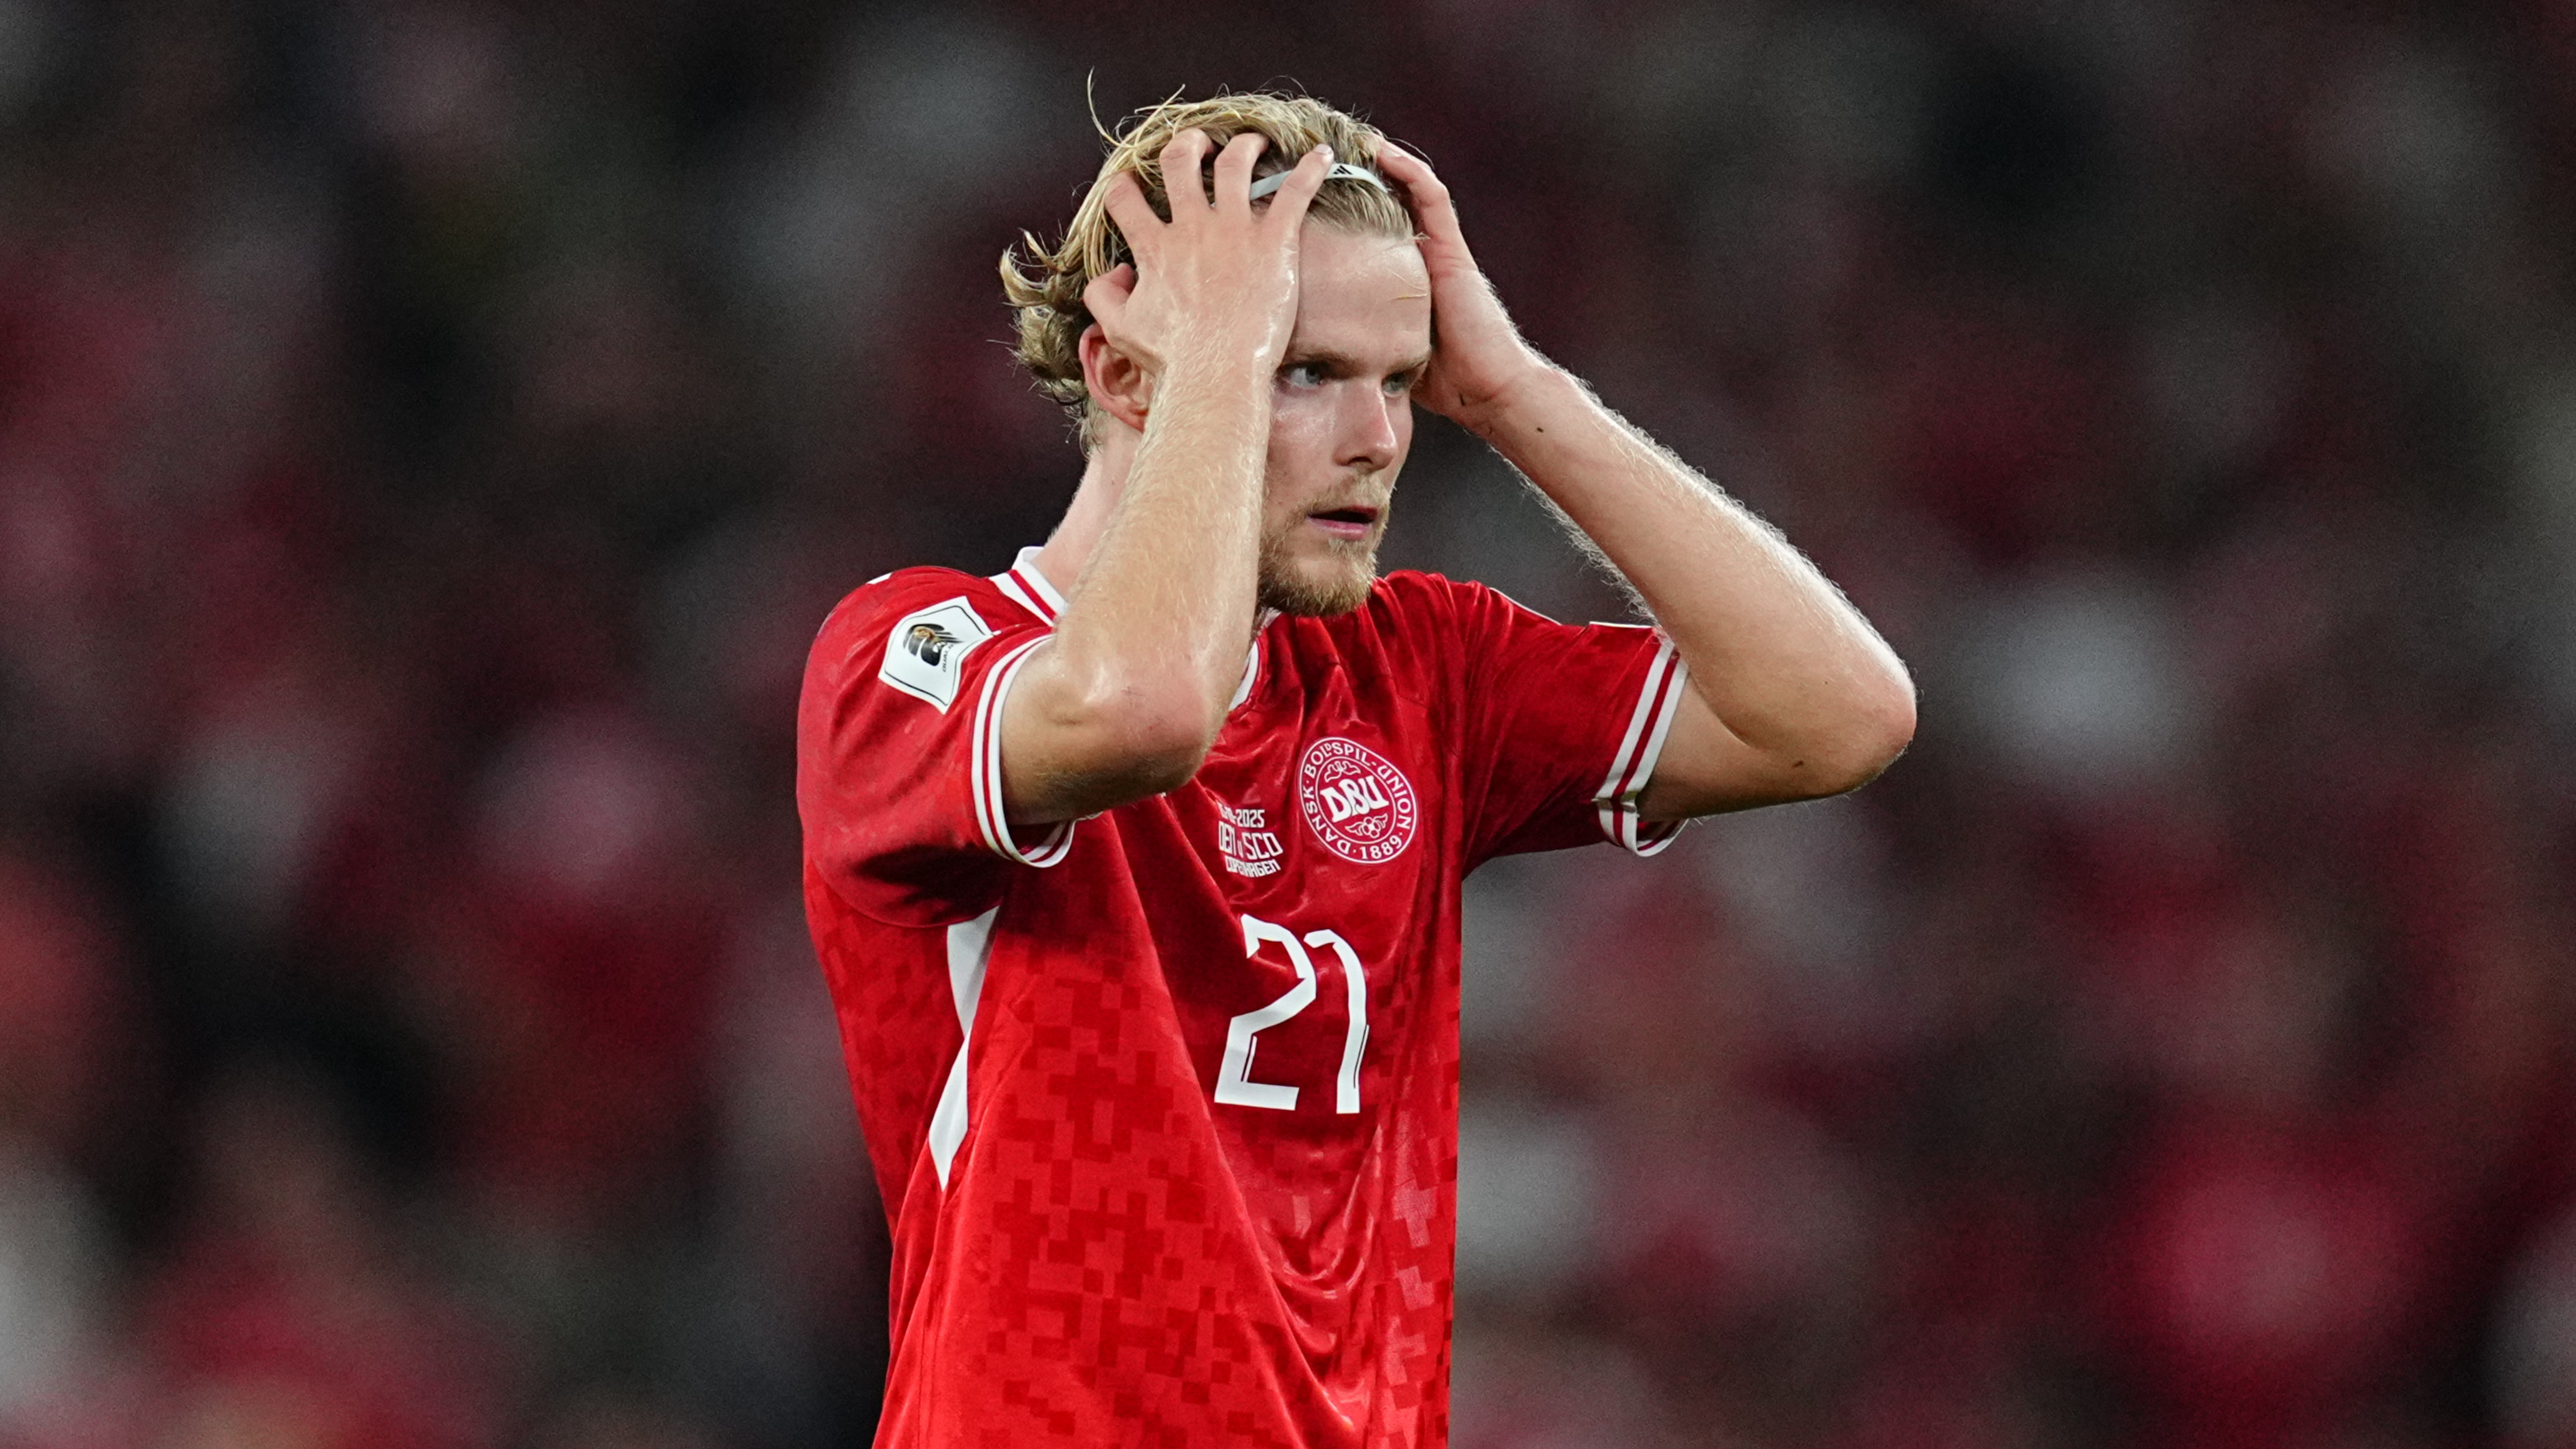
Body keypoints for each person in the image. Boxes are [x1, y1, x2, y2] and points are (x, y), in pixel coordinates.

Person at [795, 90, 1915, 1448]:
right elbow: (1143, 709)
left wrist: (1510, 388)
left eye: (1397, 379)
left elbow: (1837, 715)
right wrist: (1219, 353)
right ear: (1124, 371)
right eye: (1305, 369)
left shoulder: (1420, 671)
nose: (1379, 438)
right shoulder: (914, 654)